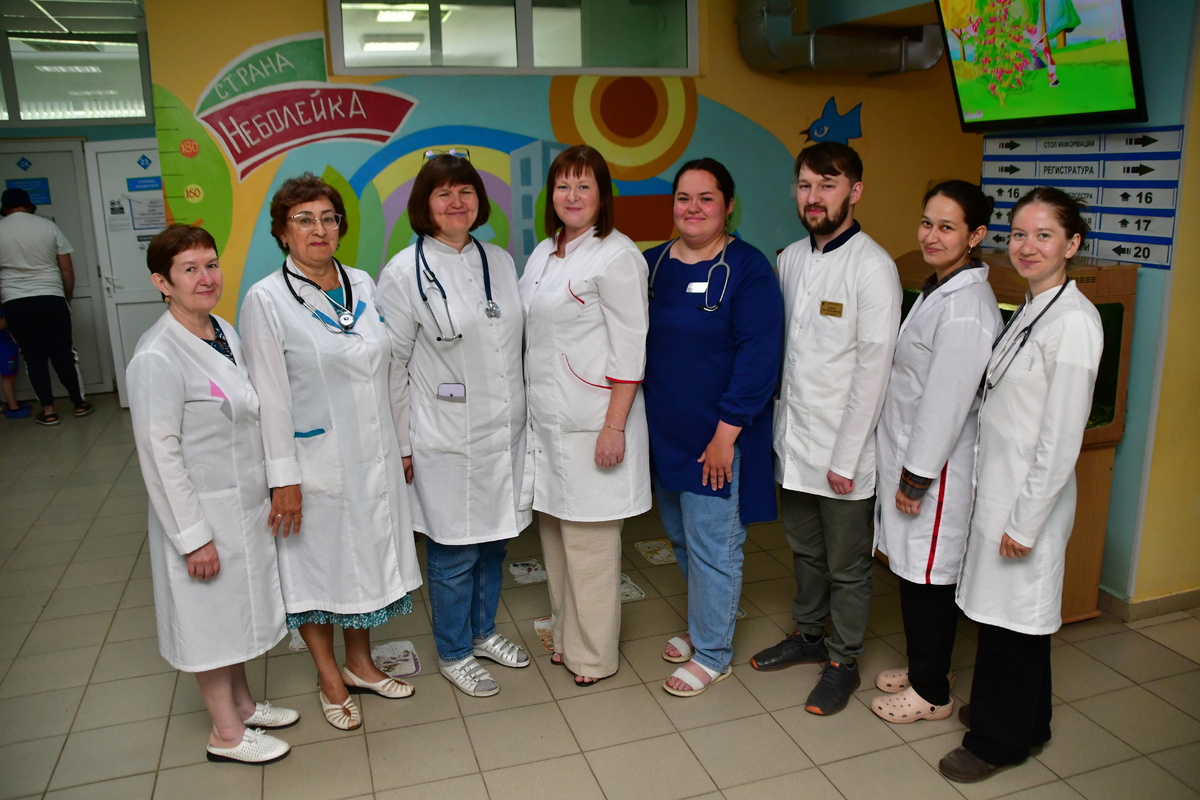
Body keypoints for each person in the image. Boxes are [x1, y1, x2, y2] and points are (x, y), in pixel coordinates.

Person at [240, 173, 423, 731]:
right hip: (313, 461)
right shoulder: (266, 299)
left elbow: (388, 369)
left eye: (328, 218)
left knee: (363, 561)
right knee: (317, 570)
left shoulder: (362, 282)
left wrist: (402, 444)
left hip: (374, 453)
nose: (319, 229)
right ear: (282, 231)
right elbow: (269, 399)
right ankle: (329, 677)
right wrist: (283, 478)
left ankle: (361, 664)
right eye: (304, 219)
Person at [939, 187, 1102, 783]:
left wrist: (1026, 521)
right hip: (1001, 492)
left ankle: (995, 742)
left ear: (1072, 244)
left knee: (1012, 623)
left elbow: (1061, 440)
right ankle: (1028, 722)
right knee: (1012, 620)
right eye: (1020, 234)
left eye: (1044, 235)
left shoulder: (1075, 323)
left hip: (1027, 503)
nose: (1027, 247)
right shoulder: (1033, 306)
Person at [128, 225, 294, 765]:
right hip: (199, 512)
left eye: (211, 264)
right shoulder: (157, 356)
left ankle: (242, 706)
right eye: (190, 269)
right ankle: (225, 733)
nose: (206, 278)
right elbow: (159, 455)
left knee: (233, 612)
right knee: (208, 622)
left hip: (239, 504)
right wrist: (192, 537)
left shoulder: (220, 329)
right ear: (163, 282)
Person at [753, 141, 901, 716]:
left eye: (828, 185)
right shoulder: (790, 259)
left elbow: (873, 370)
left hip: (844, 449)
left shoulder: (873, 267)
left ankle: (844, 660)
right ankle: (810, 635)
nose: (813, 197)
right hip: (794, 441)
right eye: (805, 185)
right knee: (804, 550)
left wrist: (846, 456)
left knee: (847, 564)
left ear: (855, 192)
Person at [377, 151, 531, 698]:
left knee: (495, 543)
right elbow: (392, 367)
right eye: (443, 193)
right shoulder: (403, 272)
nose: (456, 202)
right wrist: (401, 443)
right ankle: (454, 651)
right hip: (444, 435)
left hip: (504, 431)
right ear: (426, 204)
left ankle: (482, 632)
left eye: (465, 191)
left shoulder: (500, 261)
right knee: (453, 549)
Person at [643, 158, 783, 697]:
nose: (694, 208)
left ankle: (713, 653)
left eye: (706, 198)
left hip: (716, 437)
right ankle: (707, 622)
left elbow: (758, 356)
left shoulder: (747, 268)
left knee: (714, 545)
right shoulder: (653, 265)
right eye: (684, 197)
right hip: (665, 433)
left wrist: (725, 436)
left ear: (728, 206)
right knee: (682, 536)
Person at [869, 181, 1001, 724]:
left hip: (936, 472)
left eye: (947, 227)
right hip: (913, 458)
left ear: (976, 235)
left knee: (928, 579)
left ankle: (931, 695)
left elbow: (946, 404)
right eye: (927, 223)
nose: (931, 235)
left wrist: (916, 477)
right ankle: (931, 667)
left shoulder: (967, 309)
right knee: (914, 574)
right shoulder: (939, 290)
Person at [518, 144, 650, 687]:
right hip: (549, 424)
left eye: (584, 186)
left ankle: (594, 656)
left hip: (595, 421)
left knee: (591, 547)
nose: (572, 196)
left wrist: (614, 425)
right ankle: (567, 636)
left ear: (602, 195)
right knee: (555, 538)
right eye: (563, 186)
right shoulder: (543, 253)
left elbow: (631, 348)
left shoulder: (617, 255)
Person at [0, 187, 91, 425]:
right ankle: (79, 403)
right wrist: (66, 296)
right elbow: (67, 269)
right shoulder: (48, 227)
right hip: (51, 297)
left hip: (15, 301)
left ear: (5, 208)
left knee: (33, 357)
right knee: (64, 353)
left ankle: (49, 411)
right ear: (28, 206)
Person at [1, 308, 31, 418]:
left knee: (11, 376)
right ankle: (12, 407)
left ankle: (13, 403)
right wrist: (12, 310)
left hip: (8, 345)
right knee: (8, 377)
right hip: (3, 348)